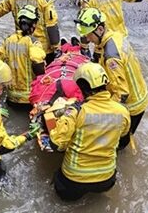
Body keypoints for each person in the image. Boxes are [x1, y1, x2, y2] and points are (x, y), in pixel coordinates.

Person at [49, 62, 130, 201]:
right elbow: (124, 140)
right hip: (106, 178)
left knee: (60, 188)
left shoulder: (76, 111)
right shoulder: (122, 111)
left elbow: (56, 145)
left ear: (82, 88)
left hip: (74, 178)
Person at [75, 7, 148, 135]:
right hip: (139, 92)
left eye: (89, 34)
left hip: (132, 105)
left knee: (116, 142)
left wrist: (103, 113)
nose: (88, 38)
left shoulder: (111, 58)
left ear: (100, 29)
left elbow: (121, 94)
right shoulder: (114, 36)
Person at [0, 5, 46, 107]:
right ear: (34, 24)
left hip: (11, 97)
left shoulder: (8, 40)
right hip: (30, 99)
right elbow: (38, 63)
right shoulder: (33, 42)